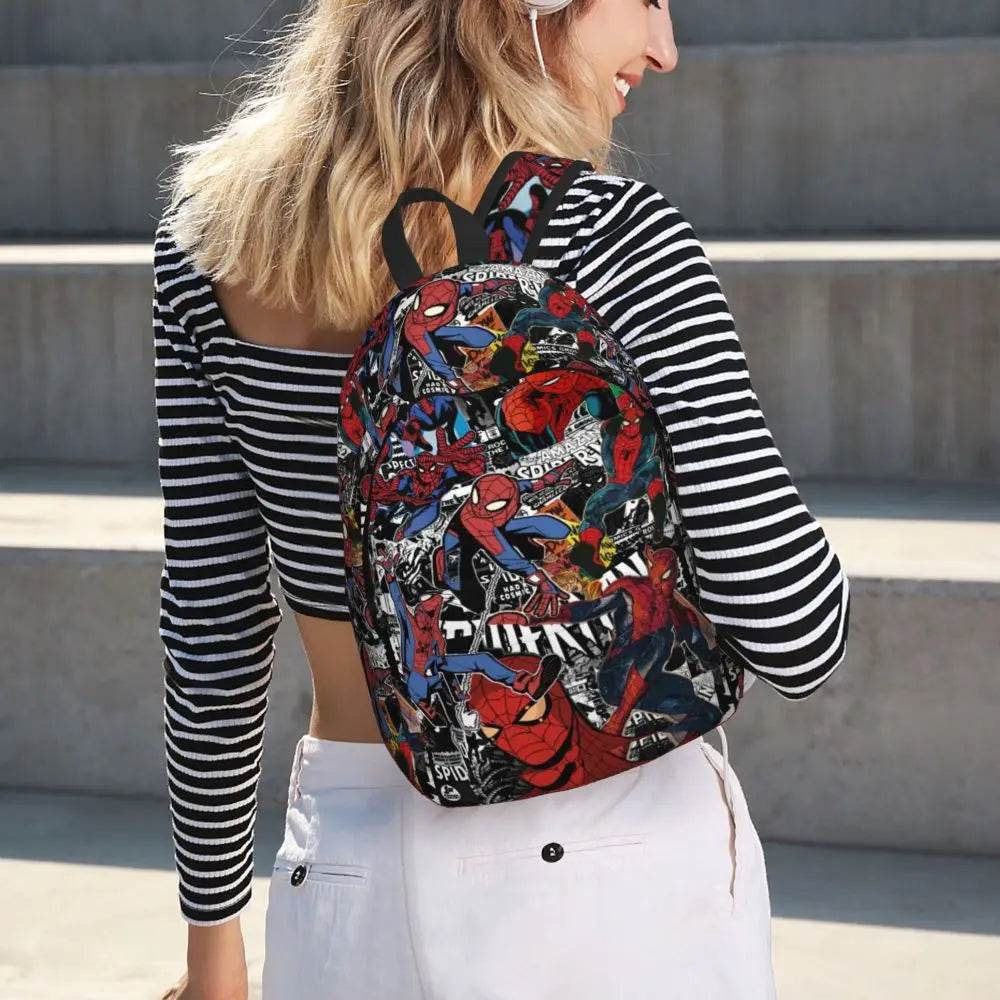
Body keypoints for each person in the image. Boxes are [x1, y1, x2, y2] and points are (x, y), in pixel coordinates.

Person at [152, 1, 851, 998]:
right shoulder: (613, 236)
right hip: (618, 863)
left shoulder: (210, 243)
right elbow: (794, 629)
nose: (664, 49)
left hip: (349, 862)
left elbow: (213, 626)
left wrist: (211, 950)